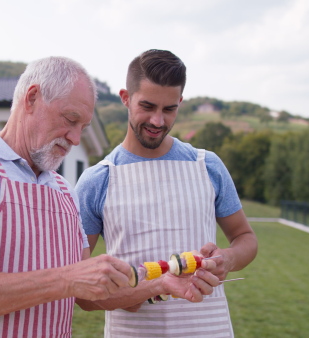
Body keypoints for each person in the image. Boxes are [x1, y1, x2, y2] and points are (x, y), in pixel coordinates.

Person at [0, 56, 135, 336]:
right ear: (31, 98)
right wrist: (66, 279)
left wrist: (163, 285)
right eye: (71, 119)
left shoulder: (64, 191)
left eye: (83, 127)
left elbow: (87, 293)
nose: (76, 138)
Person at [75, 49, 258, 337]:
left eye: (169, 109)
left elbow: (245, 238)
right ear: (125, 98)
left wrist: (227, 259)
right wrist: (148, 288)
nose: (158, 121)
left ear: (180, 103)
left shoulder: (207, 165)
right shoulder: (97, 180)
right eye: (147, 106)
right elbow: (82, 292)